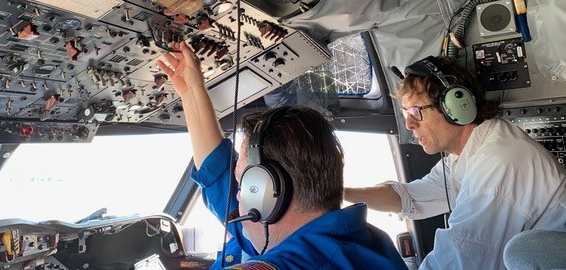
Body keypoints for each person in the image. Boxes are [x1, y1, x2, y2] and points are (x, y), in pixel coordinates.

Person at [157, 41, 407, 270]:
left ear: (264, 195)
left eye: (244, 186)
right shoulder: (361, 240)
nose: (237, 195)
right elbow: (221, 181)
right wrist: (191, 92)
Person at [344, 55, 566, 270]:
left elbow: (463, 257)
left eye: (416, 111)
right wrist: (343, 193)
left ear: (457, 106)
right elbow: (411, 197)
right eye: (405, 113)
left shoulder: (498, 161)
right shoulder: (466, 155)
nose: (409, 124)